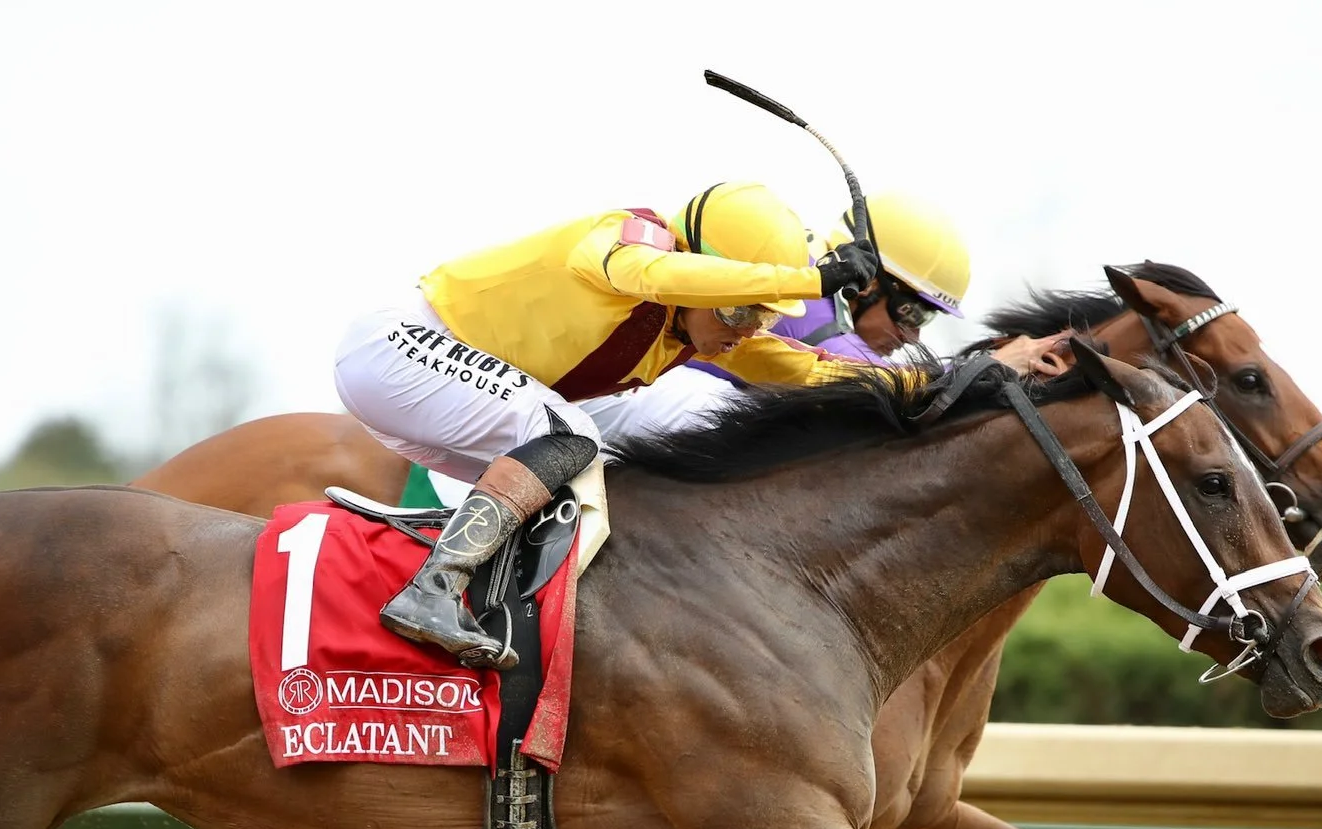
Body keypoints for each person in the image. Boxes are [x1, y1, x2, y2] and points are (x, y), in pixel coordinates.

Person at [332, 181, 881, 669]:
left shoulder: (685, 326)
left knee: (594, 469)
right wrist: (812, 279)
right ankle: (431, 589)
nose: (745, 330)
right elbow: (651, 273)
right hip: (397, 348)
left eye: (761, 316)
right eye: (739, 311)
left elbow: (796, 366)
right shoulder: (628, 240)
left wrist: (921, 385)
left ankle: (500, 600)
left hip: (434, 378)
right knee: (571, 436)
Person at [581, 189, 1068, 442]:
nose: (910, 333)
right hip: (616, 393)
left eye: (926, 319)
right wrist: (990, 369)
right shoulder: (808, 297)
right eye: (910, 309)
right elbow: (864, 378)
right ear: (869, 284)